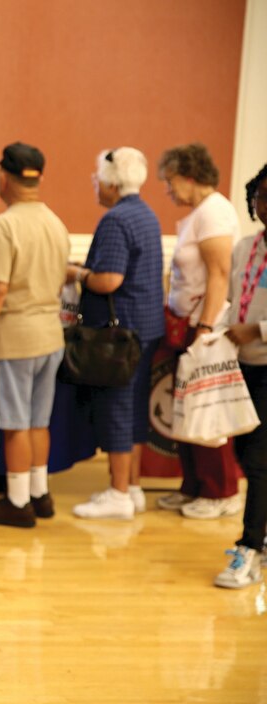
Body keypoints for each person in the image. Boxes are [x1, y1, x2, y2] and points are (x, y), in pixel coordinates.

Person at [0, 142, 70, 528]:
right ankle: (40, 494)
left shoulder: (4, 225)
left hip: (15, 337)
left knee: (15, 424)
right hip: (50, 335)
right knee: (38, 422)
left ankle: (16, 502)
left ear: (4, 177)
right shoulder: (54, 222)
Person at [67, 148, 165, 519]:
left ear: (110, 182)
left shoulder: (115, 220)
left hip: (119, 333)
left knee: (117, 408)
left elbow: (109, 279)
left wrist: (75, 273)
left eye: (96, 179)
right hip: (145, 326)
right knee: (135, 406)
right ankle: (133, 486)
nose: (95, 185)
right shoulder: (146, 214)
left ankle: (118, 493)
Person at [156, 143, 243, 519]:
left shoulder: (215, 213)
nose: (168, 190)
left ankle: (221, 492)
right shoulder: (199, 214)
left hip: (205, 327)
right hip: (187, 323)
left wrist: (205, 329)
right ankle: (193, 486)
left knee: (208, 410)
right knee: (185, 409)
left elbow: (219, 275)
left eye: (171, 182)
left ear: (190, 178)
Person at [215, 163, 267, 587]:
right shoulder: (245, 248)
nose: (265, 204)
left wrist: (259, 330)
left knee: (259, 460)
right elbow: (233, 301)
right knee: (243, 454)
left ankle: (249, 548)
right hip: (240, 366)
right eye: (261, 196)